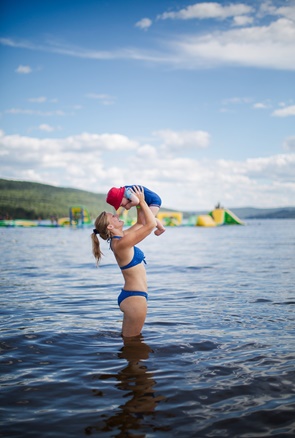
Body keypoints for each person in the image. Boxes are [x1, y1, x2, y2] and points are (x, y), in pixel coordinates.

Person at [91, 186, 155, 337]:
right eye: (111, 216)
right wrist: (144, 203)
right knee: (132, 344)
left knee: (130, 343)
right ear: (110, 226)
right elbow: (150, 225)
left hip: (133, 296)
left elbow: (140, 223)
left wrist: (138, 203)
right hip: (135, 299)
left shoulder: (120, 238)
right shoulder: (121, 244)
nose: (115, 214)